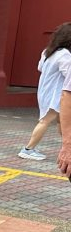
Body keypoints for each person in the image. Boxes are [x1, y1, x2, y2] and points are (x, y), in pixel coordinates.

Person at [19, 23, 71, 160]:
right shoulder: (65, 55)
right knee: (45, 121)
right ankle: (28, 149)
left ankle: (67, 146)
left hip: (45, 90)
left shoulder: (48, 51)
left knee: (62, 120)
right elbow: (68, 74)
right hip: (55, 94)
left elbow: (40, 67)